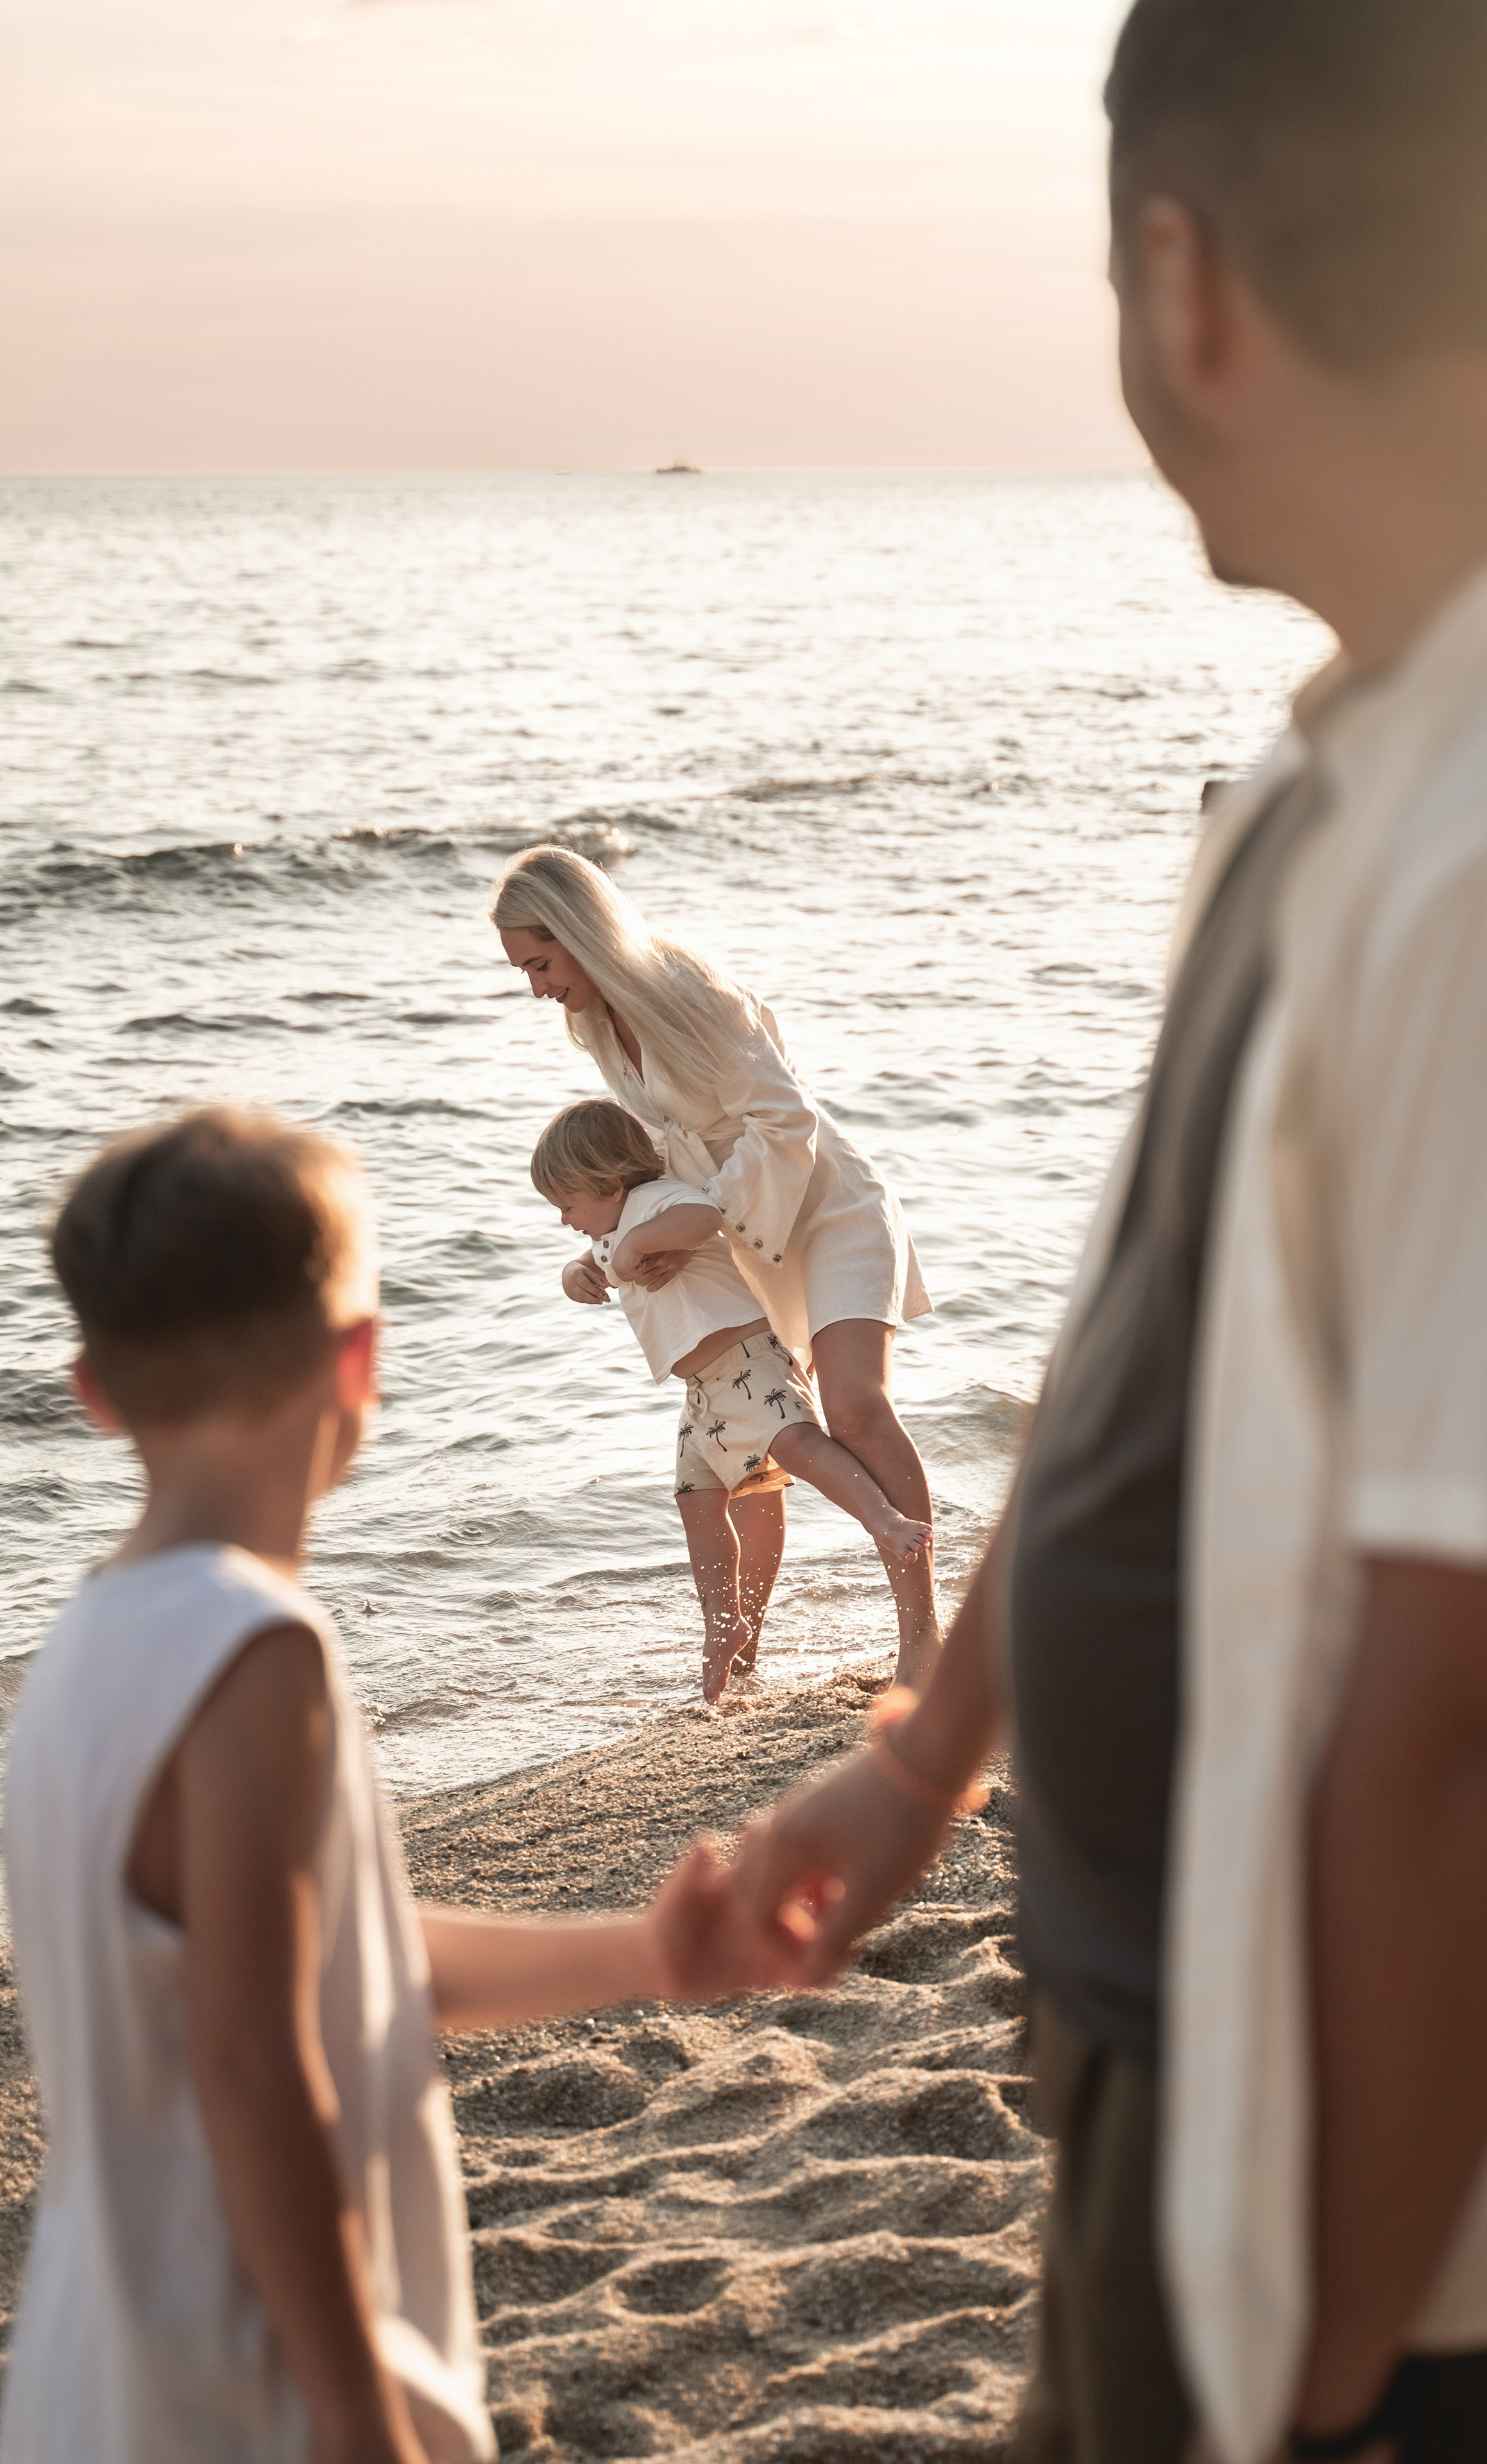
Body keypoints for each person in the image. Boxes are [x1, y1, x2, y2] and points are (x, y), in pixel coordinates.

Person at [734, 3, 1487, 2460]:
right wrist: (917, 1763)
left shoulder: (1465, 863)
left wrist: (1331, 2365)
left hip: (1348, 2178)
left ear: (1177, 282)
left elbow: (1447, 1710)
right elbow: (1141, 1357)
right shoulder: (1318, 775)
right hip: (1147, 2034)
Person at [0, 1107, 803, 2464]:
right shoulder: (255, 1655)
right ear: (359, 1363)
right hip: (253, 2376)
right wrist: (361, 2412)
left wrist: (647, 1952)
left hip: (99, 2358)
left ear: (95, 1393)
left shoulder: (83, 1649)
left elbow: (338, 1962)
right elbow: (254, 2061)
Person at [492, 843, 938, 1688]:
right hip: (737, 1238)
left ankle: (924, 1644)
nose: (538, 986)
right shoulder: (593, 1026)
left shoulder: (688, 992)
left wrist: (697, 1223)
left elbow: (787, 1121)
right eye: (525, 969)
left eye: (543, 962)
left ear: (582, 933)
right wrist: (644, 1242)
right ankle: (745, 1654)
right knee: (753, 1445)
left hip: (827, 1207)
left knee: (855, 1405)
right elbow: (651, 1154)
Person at [530, 1097, 933, 1703]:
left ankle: (884, 1519)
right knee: (697, 1500)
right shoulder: (614, 1235)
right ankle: (726, 1620)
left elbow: (706, 1218)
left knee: (797, 1443)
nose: (564, 1219)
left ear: (610, 1185)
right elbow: (593, 1261)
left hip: (750, 1364)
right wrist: (573, 1272)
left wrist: (641, 1238)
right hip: (702, 1397)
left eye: (566, 1206)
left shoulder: (656, 1202)